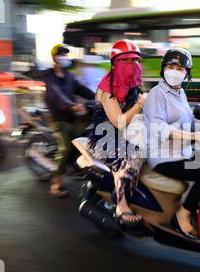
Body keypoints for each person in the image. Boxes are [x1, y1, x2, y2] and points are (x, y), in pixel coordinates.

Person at [143, 48, 200, 239]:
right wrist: (193, 137)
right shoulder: (156, 94)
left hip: (182, 151)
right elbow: (158, 127)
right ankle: (183, 214)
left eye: (180, 67)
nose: (175, 70)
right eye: (171, 66)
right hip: (164, 156)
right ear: (163, 69)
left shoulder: (180, 93)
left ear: (186, 73)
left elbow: (188, 121)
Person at [87, 39, 146, 225]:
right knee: (134, 155)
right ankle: (122, 204)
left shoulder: (133, 84)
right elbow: (119, 122)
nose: (132, 65)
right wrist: (139, 105)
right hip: (104, 138)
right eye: (126, 61)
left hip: (128, 132)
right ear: (115, 63)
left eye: (135, 61)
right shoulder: (107, 89)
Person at [43, 44, 95, 198]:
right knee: (65, 147)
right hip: (59, 118)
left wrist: (100, 97)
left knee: (86, 135)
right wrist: (73, 106)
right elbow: (57, 96)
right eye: (61, 55)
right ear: (55, 58)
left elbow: (81, 89)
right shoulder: (49, 77)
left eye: (66, 54)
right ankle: (56, 180)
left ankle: (79, 165)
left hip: (72, 116)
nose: (64, 57)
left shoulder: (69, 76)